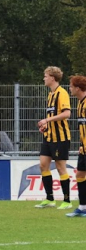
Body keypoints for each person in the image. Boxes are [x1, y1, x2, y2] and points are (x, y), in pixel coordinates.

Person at [36, 66, 73, 209]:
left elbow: (67, 114)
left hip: (60, 137)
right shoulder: (50, 94)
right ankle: (50, 199)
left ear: (52, 77)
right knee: (43, 165)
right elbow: (53, 116)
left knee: (60, 167)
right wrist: (45, 126)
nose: (44, 78)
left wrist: (47, 120)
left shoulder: (61, 93)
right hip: (49, 136)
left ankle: (67, 201)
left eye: (45, 76)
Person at [67, 75, 86, 217]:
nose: (70, 88)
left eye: (72, 86)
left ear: (78, 88)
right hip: (83, 148)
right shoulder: (80, 103)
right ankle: (82, 207)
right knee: (80, 174)